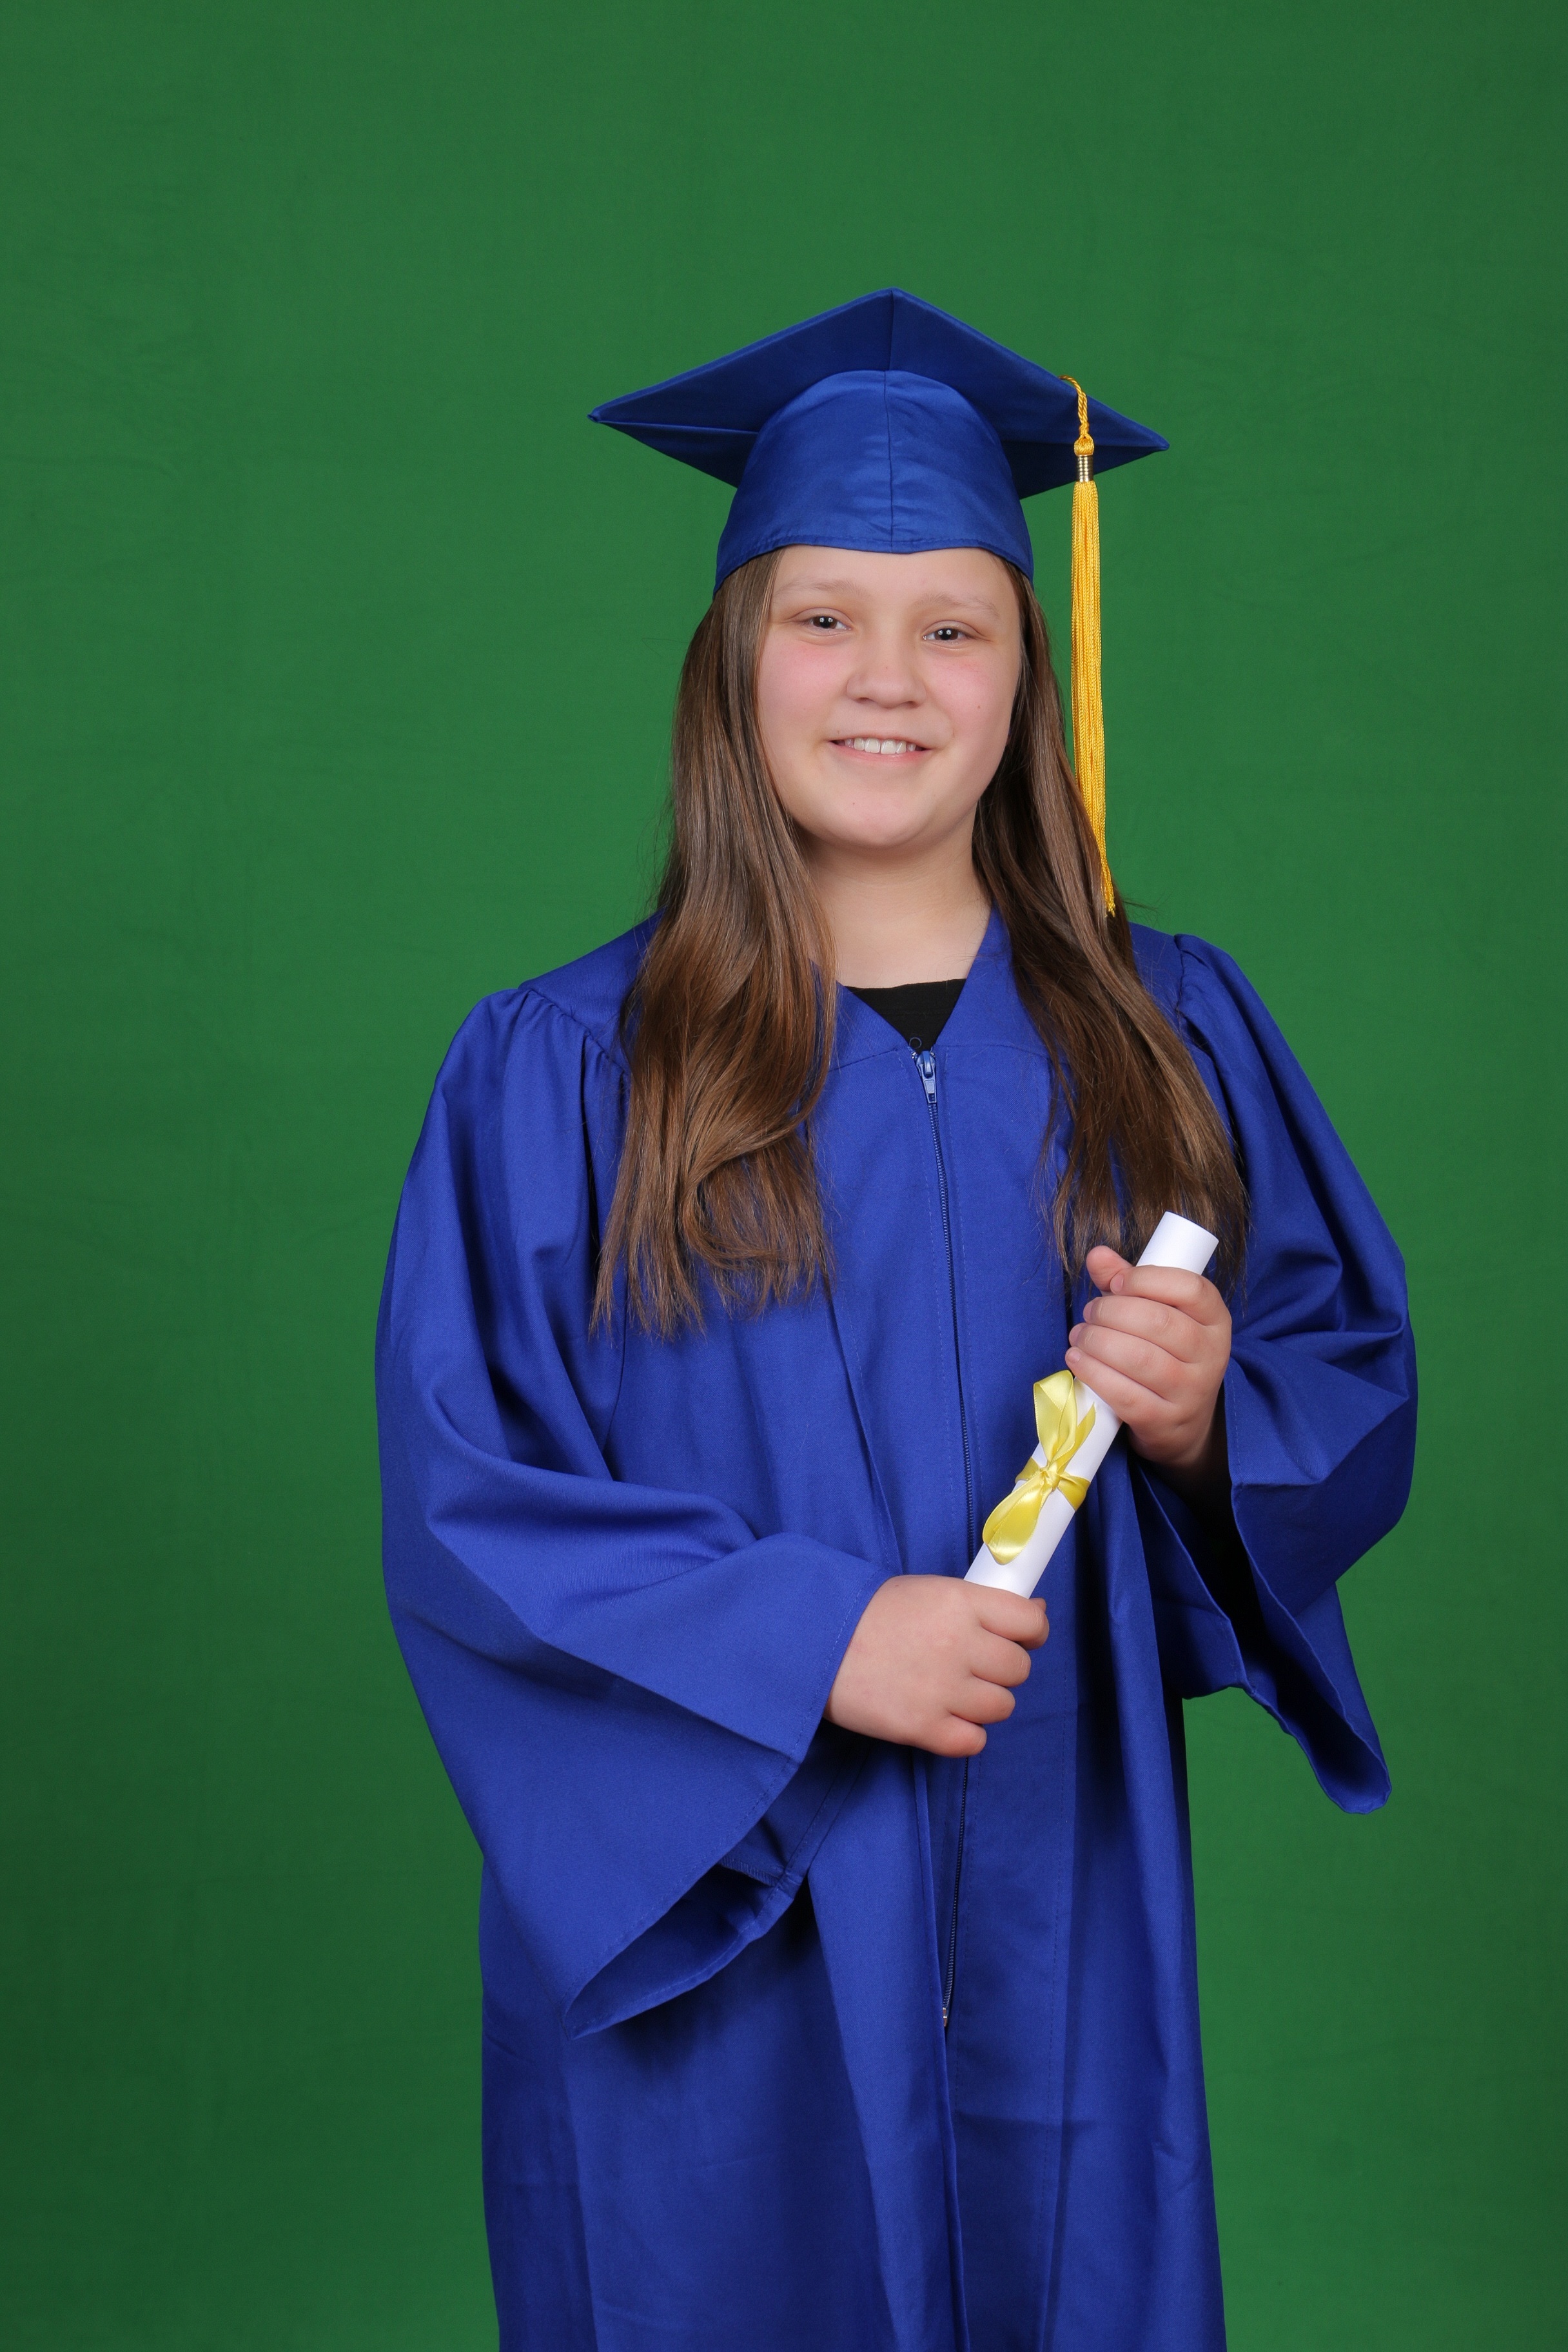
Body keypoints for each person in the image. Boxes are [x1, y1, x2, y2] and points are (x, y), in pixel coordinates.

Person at [376, 290, 1415, 2352]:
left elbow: (1338, 1372)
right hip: (720, 1928)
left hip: (1060, 1887)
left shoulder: (1167, 1032)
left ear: (1030, 675)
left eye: (955, 624)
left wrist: (1208, 1418)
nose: (887, 677)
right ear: (732, 663)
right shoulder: (561, 1071)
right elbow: (472, 1503)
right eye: (823, 618)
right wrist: (818, 1639)